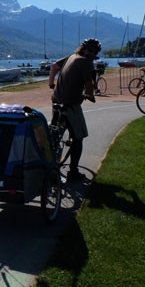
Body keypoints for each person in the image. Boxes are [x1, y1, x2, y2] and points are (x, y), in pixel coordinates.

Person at [48, 38, 100, 182]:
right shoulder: (84, 62)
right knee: (78, 137)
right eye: (90, 50)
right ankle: (73, 172)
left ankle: (49, 166)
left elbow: (54, 66)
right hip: (70, 104)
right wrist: (90, 95)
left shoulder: (72, 56)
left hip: (56, 100)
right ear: (84, 48)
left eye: (95, 52)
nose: (91, 54)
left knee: (54, 134)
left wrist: (51, 83)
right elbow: (89, 84)